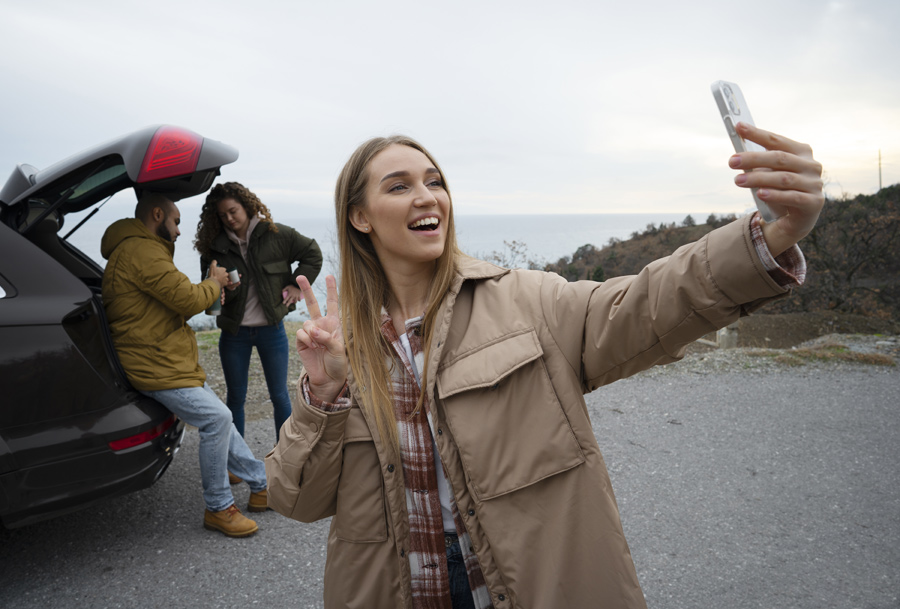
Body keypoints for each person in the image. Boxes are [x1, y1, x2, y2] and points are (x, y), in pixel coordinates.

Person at [265, 124, 824, 608]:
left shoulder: (528, 302)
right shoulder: (347, 346)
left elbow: (650, 303)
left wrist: (770, 238)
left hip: (519, 582)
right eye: (399, 186)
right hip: (400, 588)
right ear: (360, 217)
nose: (427, 196)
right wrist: (324, 390)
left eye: (435, 182)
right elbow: (297, 499)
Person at [101, 190, 269, 538]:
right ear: (158, 215)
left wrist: (208, 286)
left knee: (220, 417)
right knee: (217, 419)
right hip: (153, 363)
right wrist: (215, 282)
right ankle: (219, 507)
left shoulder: (138, 250)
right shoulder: (141, 250)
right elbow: (188, 299)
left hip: (164, 359)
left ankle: (262, 484)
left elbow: (172, 297)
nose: (179, 231)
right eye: (176, 222)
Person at [194, 182, 323, 446]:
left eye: (233, 211)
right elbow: (208, 292)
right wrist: (221, 287)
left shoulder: (276, 235)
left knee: (279, 396)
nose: (229, 219)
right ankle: (238, 463)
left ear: (247, 206)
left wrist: (296, 285)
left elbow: (313, 254)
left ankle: (286, 457)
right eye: (222, 215)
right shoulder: (214, 247)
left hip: (271, 330)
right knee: (235, 398)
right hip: (233, 333)